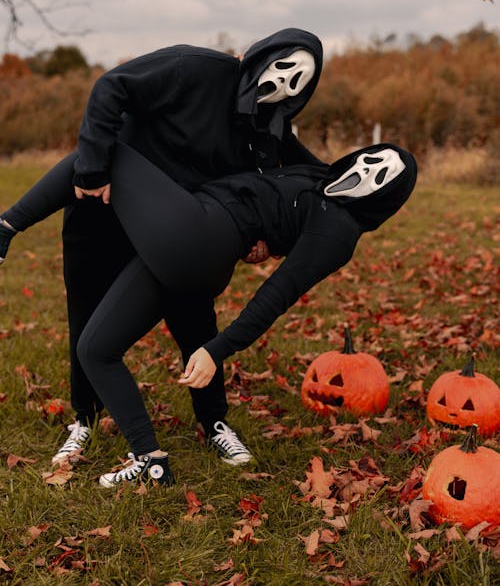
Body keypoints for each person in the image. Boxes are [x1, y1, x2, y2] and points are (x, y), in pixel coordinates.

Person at [0, 141, 417, 487]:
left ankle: (7, 227)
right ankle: (152, 458)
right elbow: (269, 131)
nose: (367, 173)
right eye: (371, 160)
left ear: (385, 200)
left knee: (101, 153)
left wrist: (217, 350)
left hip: (201, 233)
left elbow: (278, 293)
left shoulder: (338, 231)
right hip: (192, 235)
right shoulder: (315, 174)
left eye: (381, 178)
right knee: (95, 348)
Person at [38, 29, 327, 466]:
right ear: (257, 56)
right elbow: (110, 87)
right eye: (280, 67)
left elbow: (300, 181)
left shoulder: (267, 131)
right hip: (106, 207)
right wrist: (94, 167)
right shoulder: (192, 68)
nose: (281, 84)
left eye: (298, 82)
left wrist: (267, 240)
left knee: (196, 321)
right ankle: (85, 418)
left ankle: (213, 420)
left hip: (178, 235)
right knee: (87, 314)